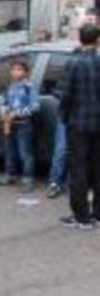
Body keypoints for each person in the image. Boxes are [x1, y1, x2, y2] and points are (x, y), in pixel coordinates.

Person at [57, 24, 100, 229]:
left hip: (78, 123)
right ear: (97, 40)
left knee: (79, 169)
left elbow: (64, 95)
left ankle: (81, 217)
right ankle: (98, 214)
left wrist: (63, 116)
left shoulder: (73, 63)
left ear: (79, 39)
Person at [0, 59, 40, 194]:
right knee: (10, 151)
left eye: (19, 69)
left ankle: (28, 179)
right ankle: (10, 175)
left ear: (26, 72)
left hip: (24, 124)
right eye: (13, 69)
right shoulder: (9, 86)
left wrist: (18, 113)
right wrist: (3, 112)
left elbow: (35, 107)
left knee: (25, 153)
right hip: (9, 124)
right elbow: (3, 101)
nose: (16, 72)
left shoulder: (29, 87)